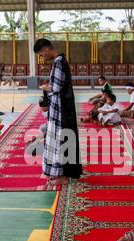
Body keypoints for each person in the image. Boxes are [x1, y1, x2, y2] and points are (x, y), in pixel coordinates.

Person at [34, 38, 83, 185]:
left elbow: (55, 87)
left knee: (62, 141)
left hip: (61, 111)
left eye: (42, 55)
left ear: (46, 49)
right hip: (59, 109)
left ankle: (63, 175)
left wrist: (45, 88)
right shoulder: (59, 61)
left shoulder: (59, 62)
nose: (42, 58)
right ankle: (58, 173)